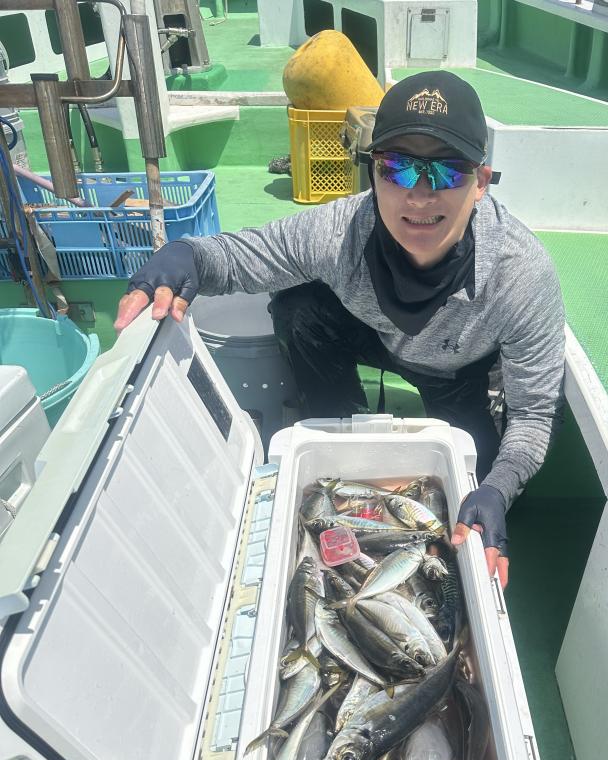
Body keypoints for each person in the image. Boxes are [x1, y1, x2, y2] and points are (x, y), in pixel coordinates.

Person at [114, 70, 566, 588]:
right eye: (397, 168)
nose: (419, 195)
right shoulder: (339, 230)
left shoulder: (521, 274)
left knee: (477, 499)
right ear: (372, 173)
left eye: (445, 172)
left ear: (481, 182)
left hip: (457, 370)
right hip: (372, 333)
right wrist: (183, 258)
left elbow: (534, 415)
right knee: (298, 307)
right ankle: (336, 429)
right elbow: (239, 258)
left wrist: (500, 487)